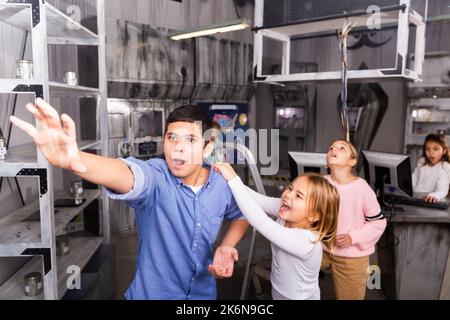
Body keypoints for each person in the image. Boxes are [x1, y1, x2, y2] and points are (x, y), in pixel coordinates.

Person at [10, 98, 249, 300]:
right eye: (172, 138)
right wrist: (78, 161)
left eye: (190, 140)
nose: (178, 148)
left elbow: (242, 214)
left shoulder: (221, 183)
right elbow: (129, 174)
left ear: (208, 148)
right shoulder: (157, 176)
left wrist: (227, 244)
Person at [212, 162, 339, 300]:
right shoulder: (287, 212)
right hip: (278, 293)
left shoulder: (307, 241)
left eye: (298, 196)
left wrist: (233, 179)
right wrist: (227, 177)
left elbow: (260, 221)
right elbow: (258, 200)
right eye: (290, 188)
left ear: (313, 215)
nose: (288, 195)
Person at [323, 139, 387, 300]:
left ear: (352, 161)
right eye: (331, 148)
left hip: (351, 257)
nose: (333, 149)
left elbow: (378, 222)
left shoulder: (362, 188)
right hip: (321, 249)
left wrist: (353, 237)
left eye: (341, 148)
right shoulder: (321, 183)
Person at [412, 133, 450, 203]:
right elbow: (413, 181)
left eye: (435, 149)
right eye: (427, 149)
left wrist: (434, 196)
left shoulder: (444, 167)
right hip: (415, 197)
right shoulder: (422, 162)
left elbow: (442, 190)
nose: (431, 152)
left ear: (444, 151)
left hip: (429, 200)